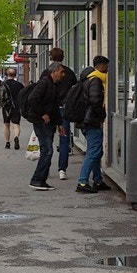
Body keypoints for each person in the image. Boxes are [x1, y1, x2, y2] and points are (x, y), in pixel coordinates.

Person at [23, 61, 67, 190]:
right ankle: (37, 179)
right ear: (54, 71)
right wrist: (43, 114)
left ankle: (41, 179)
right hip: (42, 122)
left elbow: (53, 107)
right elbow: (32, 99)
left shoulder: (53, 85)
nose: (63, 74)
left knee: (47, 151)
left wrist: (59, 123)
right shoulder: (44, 83)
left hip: (48, 122)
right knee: (47, 150)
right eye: (61, 71)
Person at [75, 55, 109, 194]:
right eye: (106, 66)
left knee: (96, 151)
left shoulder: (89, 79)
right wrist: (100, 117)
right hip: (91, 121)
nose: (107, 69)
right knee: (93, 151)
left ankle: (97, 180)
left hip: (85, 120)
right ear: (101, 66)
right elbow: (95, 101)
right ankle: (82, 182)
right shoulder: (95, 81)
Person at [47, 47, 77, 180]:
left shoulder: (47, 73)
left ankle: (45, 168)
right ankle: (62, 170)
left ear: (51, 57)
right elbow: (75, 90)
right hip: (64, 109)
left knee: (47, 139)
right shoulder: (69, 73)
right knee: (64, 139)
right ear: (63, 57)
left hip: (49, 109)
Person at [0, 67, 23, 149]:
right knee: (16, 125)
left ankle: (7, 143)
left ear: (6, 75)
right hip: (16, 107)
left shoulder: (2, 84)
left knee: (6, 125)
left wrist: (1, 104)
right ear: (15, 75)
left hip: (6, 107)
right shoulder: (19, 85)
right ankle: (16, 137)